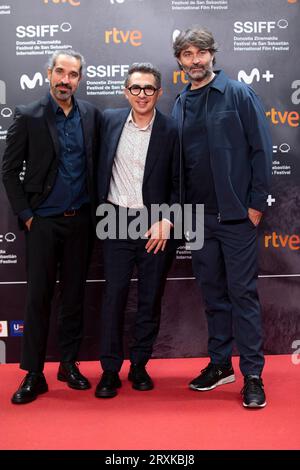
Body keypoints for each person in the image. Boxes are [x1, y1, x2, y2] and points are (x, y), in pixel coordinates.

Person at [172, 28, 272, 408]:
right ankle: (219, 365)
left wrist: (255, 205)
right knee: (212, 295)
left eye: (201, 52)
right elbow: (181, 164)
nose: (195, 60)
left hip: (235, 218)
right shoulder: (181, 102)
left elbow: (261, 150)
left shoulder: (239, 94)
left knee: (242, 295)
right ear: (179, 61)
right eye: (187, 54)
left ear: (213, 55)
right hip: (198, 220)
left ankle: (252, 374)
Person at [2, 50, 102, 404]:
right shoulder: (29, 115)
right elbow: (9, 171)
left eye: (73, 74)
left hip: (81, 223)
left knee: (74, 298)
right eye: (60, 72)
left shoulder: (91, 115)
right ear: (49, 74)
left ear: (79, 78)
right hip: (42, 222)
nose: (66, 80)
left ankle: (69, 365)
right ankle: (33, 373)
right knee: (37, 299)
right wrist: (28, 215)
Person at [95, 63, 180, 398]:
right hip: (114, 219)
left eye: (148, 89)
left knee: (149, 298)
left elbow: (180, 183)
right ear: (125, 91)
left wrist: (167, 219)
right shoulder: (109, 122)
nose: (142, 94)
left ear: (159, 93)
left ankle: (140, 365)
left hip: (155, 223)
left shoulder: (172, 130)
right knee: (113, 297)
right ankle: (110, 370)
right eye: (135, 88)